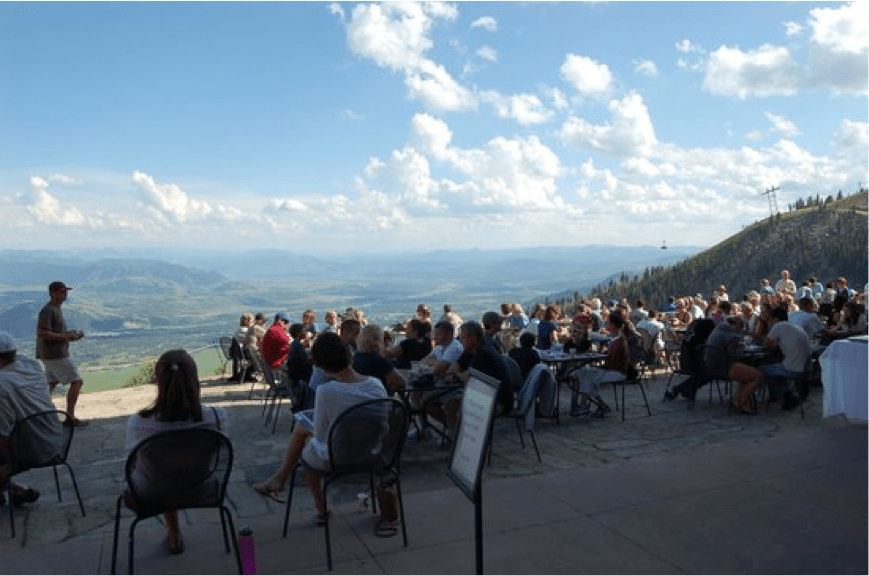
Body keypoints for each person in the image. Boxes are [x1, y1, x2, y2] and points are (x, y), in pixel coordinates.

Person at [252, 332, 387, 525]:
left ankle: (320, 509)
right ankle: (280, 479)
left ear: (321, 366)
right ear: (350, 356)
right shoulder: (376, 385)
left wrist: (310, 429)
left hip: (340, 458)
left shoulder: (326, 391)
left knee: (306, 442)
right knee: (304, 430)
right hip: (374, 453)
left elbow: (322, 438)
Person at [125, 349, 228, 555]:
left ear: (158, 381)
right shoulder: (216, 417)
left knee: (162, 472)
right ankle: (174, 531)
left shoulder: (139, 423)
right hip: (201, 489)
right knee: (177, 468)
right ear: (195, 379)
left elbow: (133, 461)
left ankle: (173, 533)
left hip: (150, 493)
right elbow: (219, 450)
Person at [0, 332, 59, 508]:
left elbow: (2, 435)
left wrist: (7, 464)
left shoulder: (2, 385)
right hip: (55, 442)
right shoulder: (32, 366)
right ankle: (17, 491)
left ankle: (9, 488)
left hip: (31, 451)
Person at [36, 281, 87, 427]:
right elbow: (44, 334)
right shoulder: (49, 310)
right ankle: (70, 418)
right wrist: (67, 336)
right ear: (53, 293)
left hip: (49, 354)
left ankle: (39, 415)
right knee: (77, 382)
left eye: (66, 291)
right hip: (55, 355)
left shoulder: (54, 309)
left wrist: (69, 335)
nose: (65, 294)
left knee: (50, 384)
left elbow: (51, 333)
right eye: (62, 291)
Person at [567, 314, 631, 417]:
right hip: (615, 370)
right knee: (584, 372)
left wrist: (599, 365)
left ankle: (593, 404)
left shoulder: (618, 340)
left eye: (608, 322)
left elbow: (613, 362)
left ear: (613, 325)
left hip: (618, 373)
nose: (605, 324)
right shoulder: (616, 338)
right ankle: (596, 403)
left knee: (583, 373)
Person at [702, 316, 765, 414]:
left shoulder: (719, 330)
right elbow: (737, 353)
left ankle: (737, 400)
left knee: (747, 374)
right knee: (758, 376)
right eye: (741, 326)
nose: (741, 328)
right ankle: (741, 404)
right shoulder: (731, 335)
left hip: (712, 366)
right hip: (723, 367)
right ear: (735, 325)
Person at [760, 307, 812, 410]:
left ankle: (784, 396)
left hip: (793, 369)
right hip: (806, 368)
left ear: (775, 319)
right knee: (775, 367)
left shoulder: (778, 326)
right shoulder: (796, 327)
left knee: (763, 369)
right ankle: (784, 394)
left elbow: (766, 344)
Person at [353, 324, 405, 394]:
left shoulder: (356, 356)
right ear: (379, 340)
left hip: (360, 399)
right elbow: (400, 382)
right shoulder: (379, 360)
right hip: (378, 399)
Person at [230, 312, 254, 382]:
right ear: (248, 321)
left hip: (238, 353)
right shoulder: (244, 330)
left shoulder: (240, 329)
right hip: (243, 354)